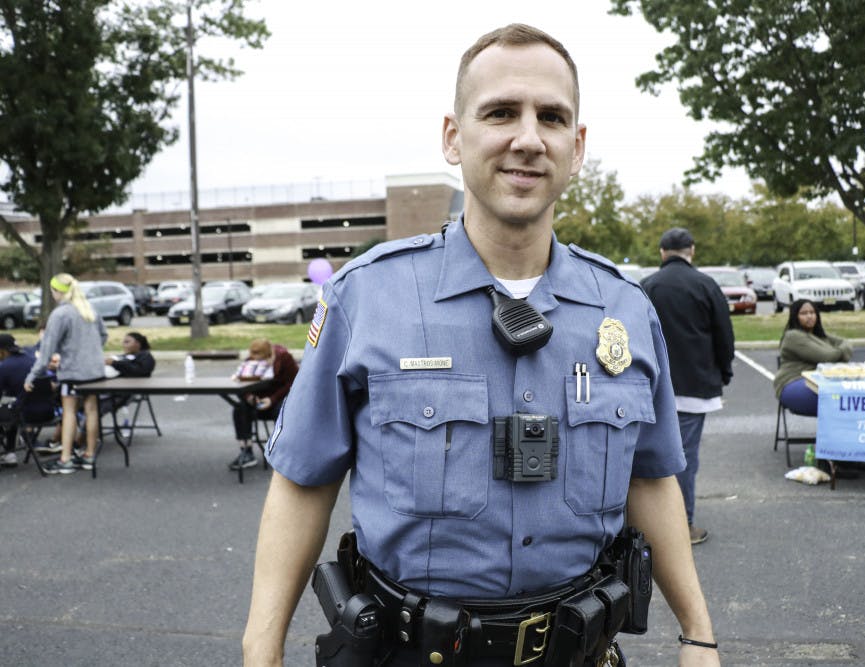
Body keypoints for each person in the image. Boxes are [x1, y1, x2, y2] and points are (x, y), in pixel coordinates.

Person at [243, 24, 718, 667]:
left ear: (576, 147)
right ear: (452, 136)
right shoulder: (367, 298)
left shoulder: (625, 309)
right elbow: (304, 482)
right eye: (500, 113)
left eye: (552, 118)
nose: (528, 139)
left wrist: (698, 633)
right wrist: (261, 647)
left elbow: (652, 478)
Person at [641, 228, 734, 545]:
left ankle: (645, 522)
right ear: (691, 250)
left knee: (648, 455)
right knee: (684, 458)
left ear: (662, 251)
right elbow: (724, 335)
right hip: (695, 386)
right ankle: (682, 525)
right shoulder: (705, 284)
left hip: (652, 385)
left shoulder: (647, 286)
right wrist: (724, 372)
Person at [24, 273, 107, 475]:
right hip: (95, 370)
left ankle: (66, 459)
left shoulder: (60, 314)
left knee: (69, 411)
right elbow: (103, 336)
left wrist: (33, 375)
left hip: (73, 372)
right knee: (91, 411)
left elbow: (47, 349)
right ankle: (89, 455)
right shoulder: (89, 308)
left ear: (56, 291)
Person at [773, 298, 852, 416]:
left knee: (850, 395)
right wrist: (841, 353)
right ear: (795, 316)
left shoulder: (818, 335)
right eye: (804, 313)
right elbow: (827, 357)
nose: (809, 316)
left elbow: (846, 343)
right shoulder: (793, 336)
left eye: (812, 312)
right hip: (794, 382)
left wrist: (838, 352)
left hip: (820, 380)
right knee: (838, 398)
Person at [228, 338, 297, 471]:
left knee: (283, 411)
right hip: (257, 402)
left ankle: (283, 450)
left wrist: (272, 399)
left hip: (277, 399)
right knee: (239, 409)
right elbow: (240, 385)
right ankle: (246, 451)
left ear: (270, 355)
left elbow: (293, 382)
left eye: (263, 361)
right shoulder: (249, 361)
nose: (259, 364)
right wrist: (249, 397)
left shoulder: (284, 358)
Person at [0, 334, 57, 467]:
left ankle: (9, 452)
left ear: (2, 351)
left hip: (25, 415)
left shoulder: (5, 367)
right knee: (13, 406)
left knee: (8, 410)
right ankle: (10, 452)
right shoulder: (33, 360)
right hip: (48, 412)